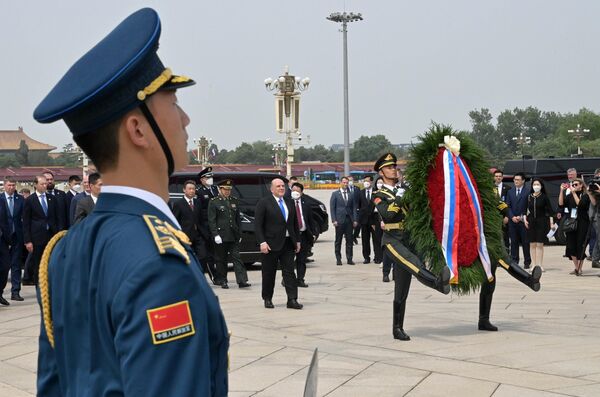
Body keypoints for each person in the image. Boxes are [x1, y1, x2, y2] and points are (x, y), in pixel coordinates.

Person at [33, 8, 228, 396]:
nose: (185, 119)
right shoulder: (158, 265)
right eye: (173, 102)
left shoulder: (65, 250)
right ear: (138, 129)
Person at [372, 153, 450, 341]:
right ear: (381, 172)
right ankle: (437, 283)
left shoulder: (405, 189)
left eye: (395, 167)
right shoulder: (378, 194)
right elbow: (388, 216)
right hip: (392, 240)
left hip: (409, 238)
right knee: (414, 263)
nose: (394, 169)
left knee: (402, 289)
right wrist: (399, 198)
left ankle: (397, 328)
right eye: (390, 167)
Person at [254, 178, 302, 309]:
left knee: (289, 272)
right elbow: (258, 225)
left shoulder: (289, 202)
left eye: (283, 186)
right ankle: (267, 298)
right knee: (269, 273)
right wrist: (262, 242)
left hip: (287, 243)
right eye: (278, 186)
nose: (281, 188)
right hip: (270, 244)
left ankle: (292, 299)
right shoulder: (264, 202)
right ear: (272, 189)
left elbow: (294, 224)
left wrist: (297, 240)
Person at [208, 179, 250, 289]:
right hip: (221, 235)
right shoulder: (214, 201)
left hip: (233, 235)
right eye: (225, 189)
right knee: (221, 259)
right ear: (219, 189)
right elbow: (211, 220)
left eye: (229, 189)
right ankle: (223, 280)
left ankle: (241, 280)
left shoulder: (234, 200)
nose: (227, 191)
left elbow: (237, 219)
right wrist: (215, 234)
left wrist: (239, 234)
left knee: (237, 257)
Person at [22, 175, 59, 286]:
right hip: (37, 237)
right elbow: (26, 222)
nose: (45, 186)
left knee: (52, 261)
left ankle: (51, 283)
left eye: (46, 184)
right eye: (42, 184)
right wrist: (28, 240)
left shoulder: (52, 199)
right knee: (38, 262)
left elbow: (56, 217)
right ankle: (39, 284)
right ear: (35, 185)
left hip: (51, 235)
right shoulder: (30, 200)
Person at [172, 180, 212, 278]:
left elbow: (201, 219)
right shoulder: (178, 204)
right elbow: (175, 221)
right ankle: (189, 277)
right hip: (186, 236)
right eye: (189, 189)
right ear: (184, 190)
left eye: (193, 189)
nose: (192, 191)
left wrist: (205, 233)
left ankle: (200, 276)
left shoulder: (198, 202)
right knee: (187, 258)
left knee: (203, 256)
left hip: (199, 235)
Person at [0, 177, 25, 302]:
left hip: (17, 236)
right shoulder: (0, 199)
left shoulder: (20, 199)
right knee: (4, 266)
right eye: (9, 185)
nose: (11, 187)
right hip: (3, 238)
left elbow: (24, 217)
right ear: (4, 186)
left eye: (13, 185)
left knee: (16, 265)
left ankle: (15, 291)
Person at [559, 178, 590, 275]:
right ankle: (576, 267)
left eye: (576, 184)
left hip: (582, 222)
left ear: (581, 185)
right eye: (573, 184)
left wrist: (574, 193)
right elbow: (561, 204)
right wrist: (561, 191)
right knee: (571, 245)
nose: (574, 186)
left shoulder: (585, 195)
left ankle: (580, 268)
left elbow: (580, 204)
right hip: (571, 222)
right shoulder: (569, 195)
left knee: (580, 245)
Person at [524, 178, 555, 272]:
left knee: (540, 244)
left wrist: (552, 223)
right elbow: (524, 210)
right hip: (531, 221)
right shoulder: (529, 196)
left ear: (541, 186)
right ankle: (533, 265)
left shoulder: (544, 197)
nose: (536, 186)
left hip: (542, 221)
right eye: (534, 184)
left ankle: (540, 265)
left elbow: (550, 211)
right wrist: (525, 220)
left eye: (538, 184)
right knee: (532, 243)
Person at [290, 182, 316, 288]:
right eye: (293, 190)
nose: (295, 193)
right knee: (289, 259)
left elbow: (311, 220)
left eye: (297, 191)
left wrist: (313, 233)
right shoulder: (287, 203)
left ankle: (300, 279)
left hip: (304, 235)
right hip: (291, 236)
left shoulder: (306, 204)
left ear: (301, 193)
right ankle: (287, 278)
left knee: (301, 259)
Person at [196, 166, 219, 281]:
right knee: (208, 254)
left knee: (216, 254)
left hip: (217, 225)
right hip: (206, 226)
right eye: (208, 177)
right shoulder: (199, 192)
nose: (210, 179)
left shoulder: (216, 189)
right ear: (202, 180)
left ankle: (218, 275)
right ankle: (214, 276)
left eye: (211, 177)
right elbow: (199, 211)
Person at [505, 172, 531, 269]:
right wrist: (512, 217)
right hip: (513, 221)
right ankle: (514, 260)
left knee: (525, 242)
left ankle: (527, 261)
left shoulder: (528, 192)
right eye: (515, 179)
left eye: (518, 180)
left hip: (523, 221)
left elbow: (529, 207)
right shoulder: (510, 192)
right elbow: (507, 206)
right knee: (514, 241)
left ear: (523, 181)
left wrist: (522, 217)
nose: (516, 181)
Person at [330, 176, 358, 265]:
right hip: (339, 220)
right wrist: (334, 220)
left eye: (347, 182)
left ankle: (349, 258)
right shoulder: (335, 194)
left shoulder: (351, 194)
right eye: (344, 182)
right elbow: (332, 208)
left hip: (349, 220)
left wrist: (355, 219)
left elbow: (354, 208)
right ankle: (338, 258)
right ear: (340, 183)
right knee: (338, 240)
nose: (345, 184)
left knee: (349, 240)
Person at [358, 175, 378, 264]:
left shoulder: (376, 192)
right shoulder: (360, 192)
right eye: (364, 181)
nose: (366, 182)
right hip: (364, 221)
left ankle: (377, 257)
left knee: (376, 240)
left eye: (367, 181)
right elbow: (358, 206)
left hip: (374, 221)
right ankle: (366, 257)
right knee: (365, 241)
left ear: (371, 182)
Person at [494, 169, 511, 251]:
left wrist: (508, 216)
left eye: (500, 176)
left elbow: (510, 204)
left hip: (505, 217)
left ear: (502, 177)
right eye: (496, 176)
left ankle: (507, 256)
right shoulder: (490, 188)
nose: (498, 178)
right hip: (493, 217)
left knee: (505, 237)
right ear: (494, 177)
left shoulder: (508, 188)